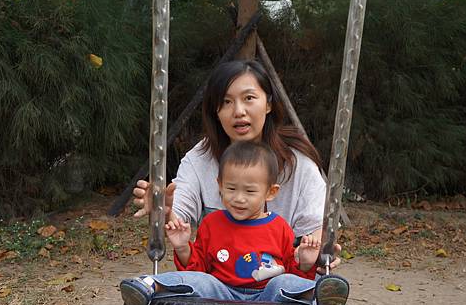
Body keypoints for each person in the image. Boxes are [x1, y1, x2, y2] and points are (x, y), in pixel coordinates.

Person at [133, 60, 341, 272]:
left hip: (280, 285)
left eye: (249, 98)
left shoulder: (298, 165)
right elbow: (179, 214)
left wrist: (318, 251)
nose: (238, 111)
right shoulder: (200, 160)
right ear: (216, 110)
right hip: (219, 281)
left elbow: (317, 229)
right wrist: (163, 211)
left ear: (268, 104)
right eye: (226, 102)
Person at [121, 141, 349, 305]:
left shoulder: (280, 227)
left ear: (270, 192)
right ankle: (149, 286)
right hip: (220, 294)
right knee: (200, 281)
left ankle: (321, 300)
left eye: (250, 191)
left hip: (267, 295)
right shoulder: (212, 223)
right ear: (219, 185)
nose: (239, 198)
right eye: (230, 189)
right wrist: (183, 247)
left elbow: (291, 271)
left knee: (284, 282)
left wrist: (306, 264)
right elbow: (198, 269)